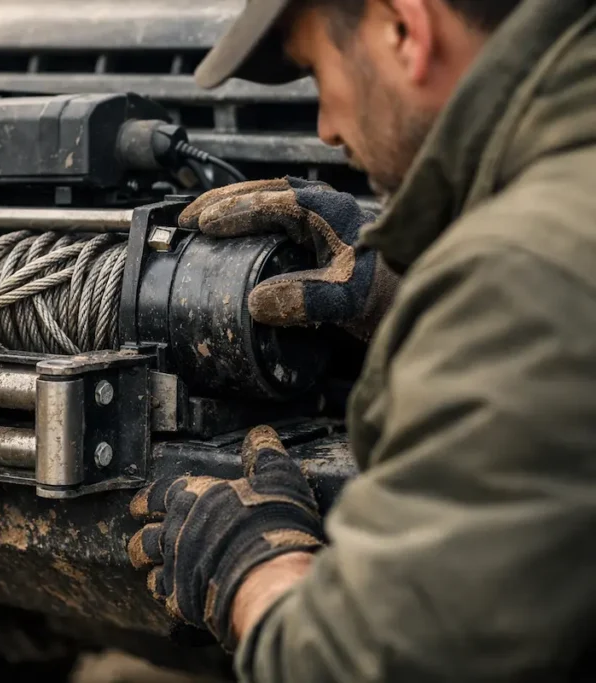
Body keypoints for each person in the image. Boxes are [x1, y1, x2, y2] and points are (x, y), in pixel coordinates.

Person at [126, 0, 596, 680]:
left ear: (404, 28)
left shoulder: (527, 274)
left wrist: (253, 566)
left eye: (317, 71)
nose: (325, 127)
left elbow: (368, 660)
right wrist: (407, 295)